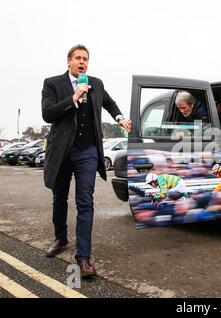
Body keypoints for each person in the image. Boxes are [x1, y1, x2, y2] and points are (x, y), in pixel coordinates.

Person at [41, 44, 132, 278]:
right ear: (69, 61)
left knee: (85, 201)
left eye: (86, 59)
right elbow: (47, 113)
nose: (83, 62)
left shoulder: (96, 83)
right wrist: (74, 97)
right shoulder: (52, 83)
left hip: (87, 151)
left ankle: (83, 257)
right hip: (62, 151)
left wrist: (120, 117)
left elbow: (109, 102)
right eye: (78, 58)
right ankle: (60, 238)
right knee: (59, 198)